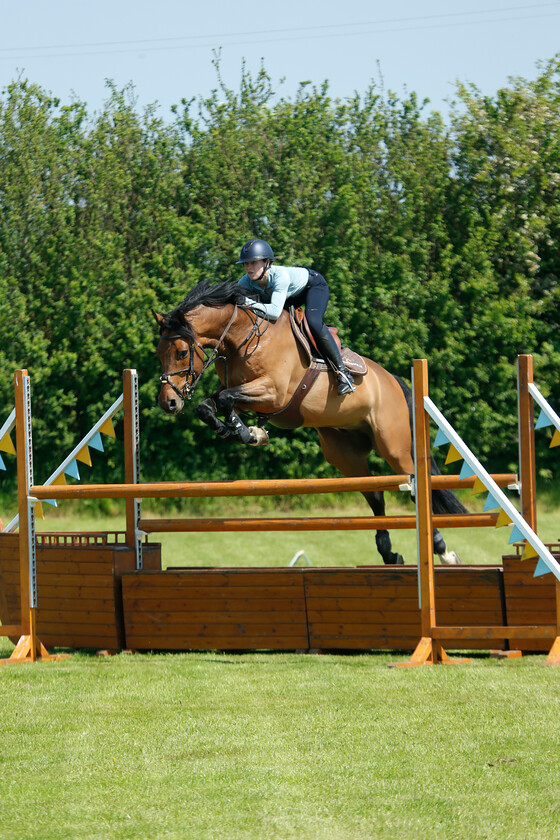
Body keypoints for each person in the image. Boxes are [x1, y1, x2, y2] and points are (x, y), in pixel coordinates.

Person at [235, 238, 355, 396]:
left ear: (267, 263)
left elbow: (274, 312)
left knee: (313, 321)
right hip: (290, 295)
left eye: (253, 262)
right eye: (246, 264)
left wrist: (247, 303)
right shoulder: (245, 282)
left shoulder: (280, 276)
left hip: (313, 286)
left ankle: (343, 373)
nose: (248, 268)